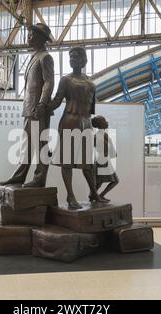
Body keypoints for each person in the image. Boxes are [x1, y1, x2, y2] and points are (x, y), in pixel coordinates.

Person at [49, 47, 107, 209]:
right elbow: (56, 101)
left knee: (88, 163)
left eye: (76, 56)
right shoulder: (66, 80)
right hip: (69, 121)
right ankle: (70, 196)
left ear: (84, 60)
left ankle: (94, 193)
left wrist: (99, 125)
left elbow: (91, 109)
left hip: (86, 124)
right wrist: (43, 106)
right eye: (71, 57)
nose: (72, 59)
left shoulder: (91, 83)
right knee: (67, 162)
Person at [0, 23, 54, 188]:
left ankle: (39, 179)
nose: (28, 37)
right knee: (27, 145)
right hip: (30, 109)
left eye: (32, 34)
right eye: (28, 34)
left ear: (42, 38)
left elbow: (49, 83)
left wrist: (42, 104)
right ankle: (20, 176)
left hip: (38, 109)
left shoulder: (45, 57)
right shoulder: (34, 56)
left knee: (41, 146)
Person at [91, 115, 119, 203]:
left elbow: (111, 152)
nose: (107, 122)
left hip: (102, 160)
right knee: (113, 181)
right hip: (103, 160)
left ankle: (93, 196)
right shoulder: (100, 136)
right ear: (100, 124)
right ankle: (99, 195)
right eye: (104, 121)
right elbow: (112, 152)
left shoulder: (100, 135)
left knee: (100, 182)